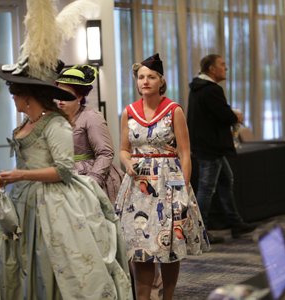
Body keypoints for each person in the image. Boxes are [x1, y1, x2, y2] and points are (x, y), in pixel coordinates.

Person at [0, 61, 132, 299]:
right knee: (24, 260)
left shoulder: (57, 123)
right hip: (24, 201)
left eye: (14, 93)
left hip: (53, 202)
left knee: (60, 261)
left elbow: (64, 169)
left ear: (27, 96)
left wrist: (20, 175)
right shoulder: (25, 124)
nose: (13, 98)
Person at [115, 53, 210, 300]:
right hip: (138, 187)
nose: (145, 81)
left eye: (151, 77)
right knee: (140, 247)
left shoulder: (173, 110)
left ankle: (168, 296)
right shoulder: (128, 112)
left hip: (169, 182)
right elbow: (124, 149)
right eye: (141, 77)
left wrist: (184, 187)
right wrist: (127, 162)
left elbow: (185, 152)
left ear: (161, 81)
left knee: (169, 246)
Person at [187, 54, 256, 243]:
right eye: (222, 65)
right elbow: (223, 115)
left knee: (226, 180)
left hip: (204, 146)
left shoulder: (197, 88)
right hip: (211, 148)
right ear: (211, 69)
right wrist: (236, 116)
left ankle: (236, 223)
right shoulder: (211, 90)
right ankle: (200, 232)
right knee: (206, 188)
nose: (226, 68)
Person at [55, 64, 124, 203]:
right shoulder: (55, 119)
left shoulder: (90, 116)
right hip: (63, 176)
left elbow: (105, 153)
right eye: (58, 94)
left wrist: (93, 181)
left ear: (79, 96)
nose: (60, 100)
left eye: (66, 95)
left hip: (89, 177)